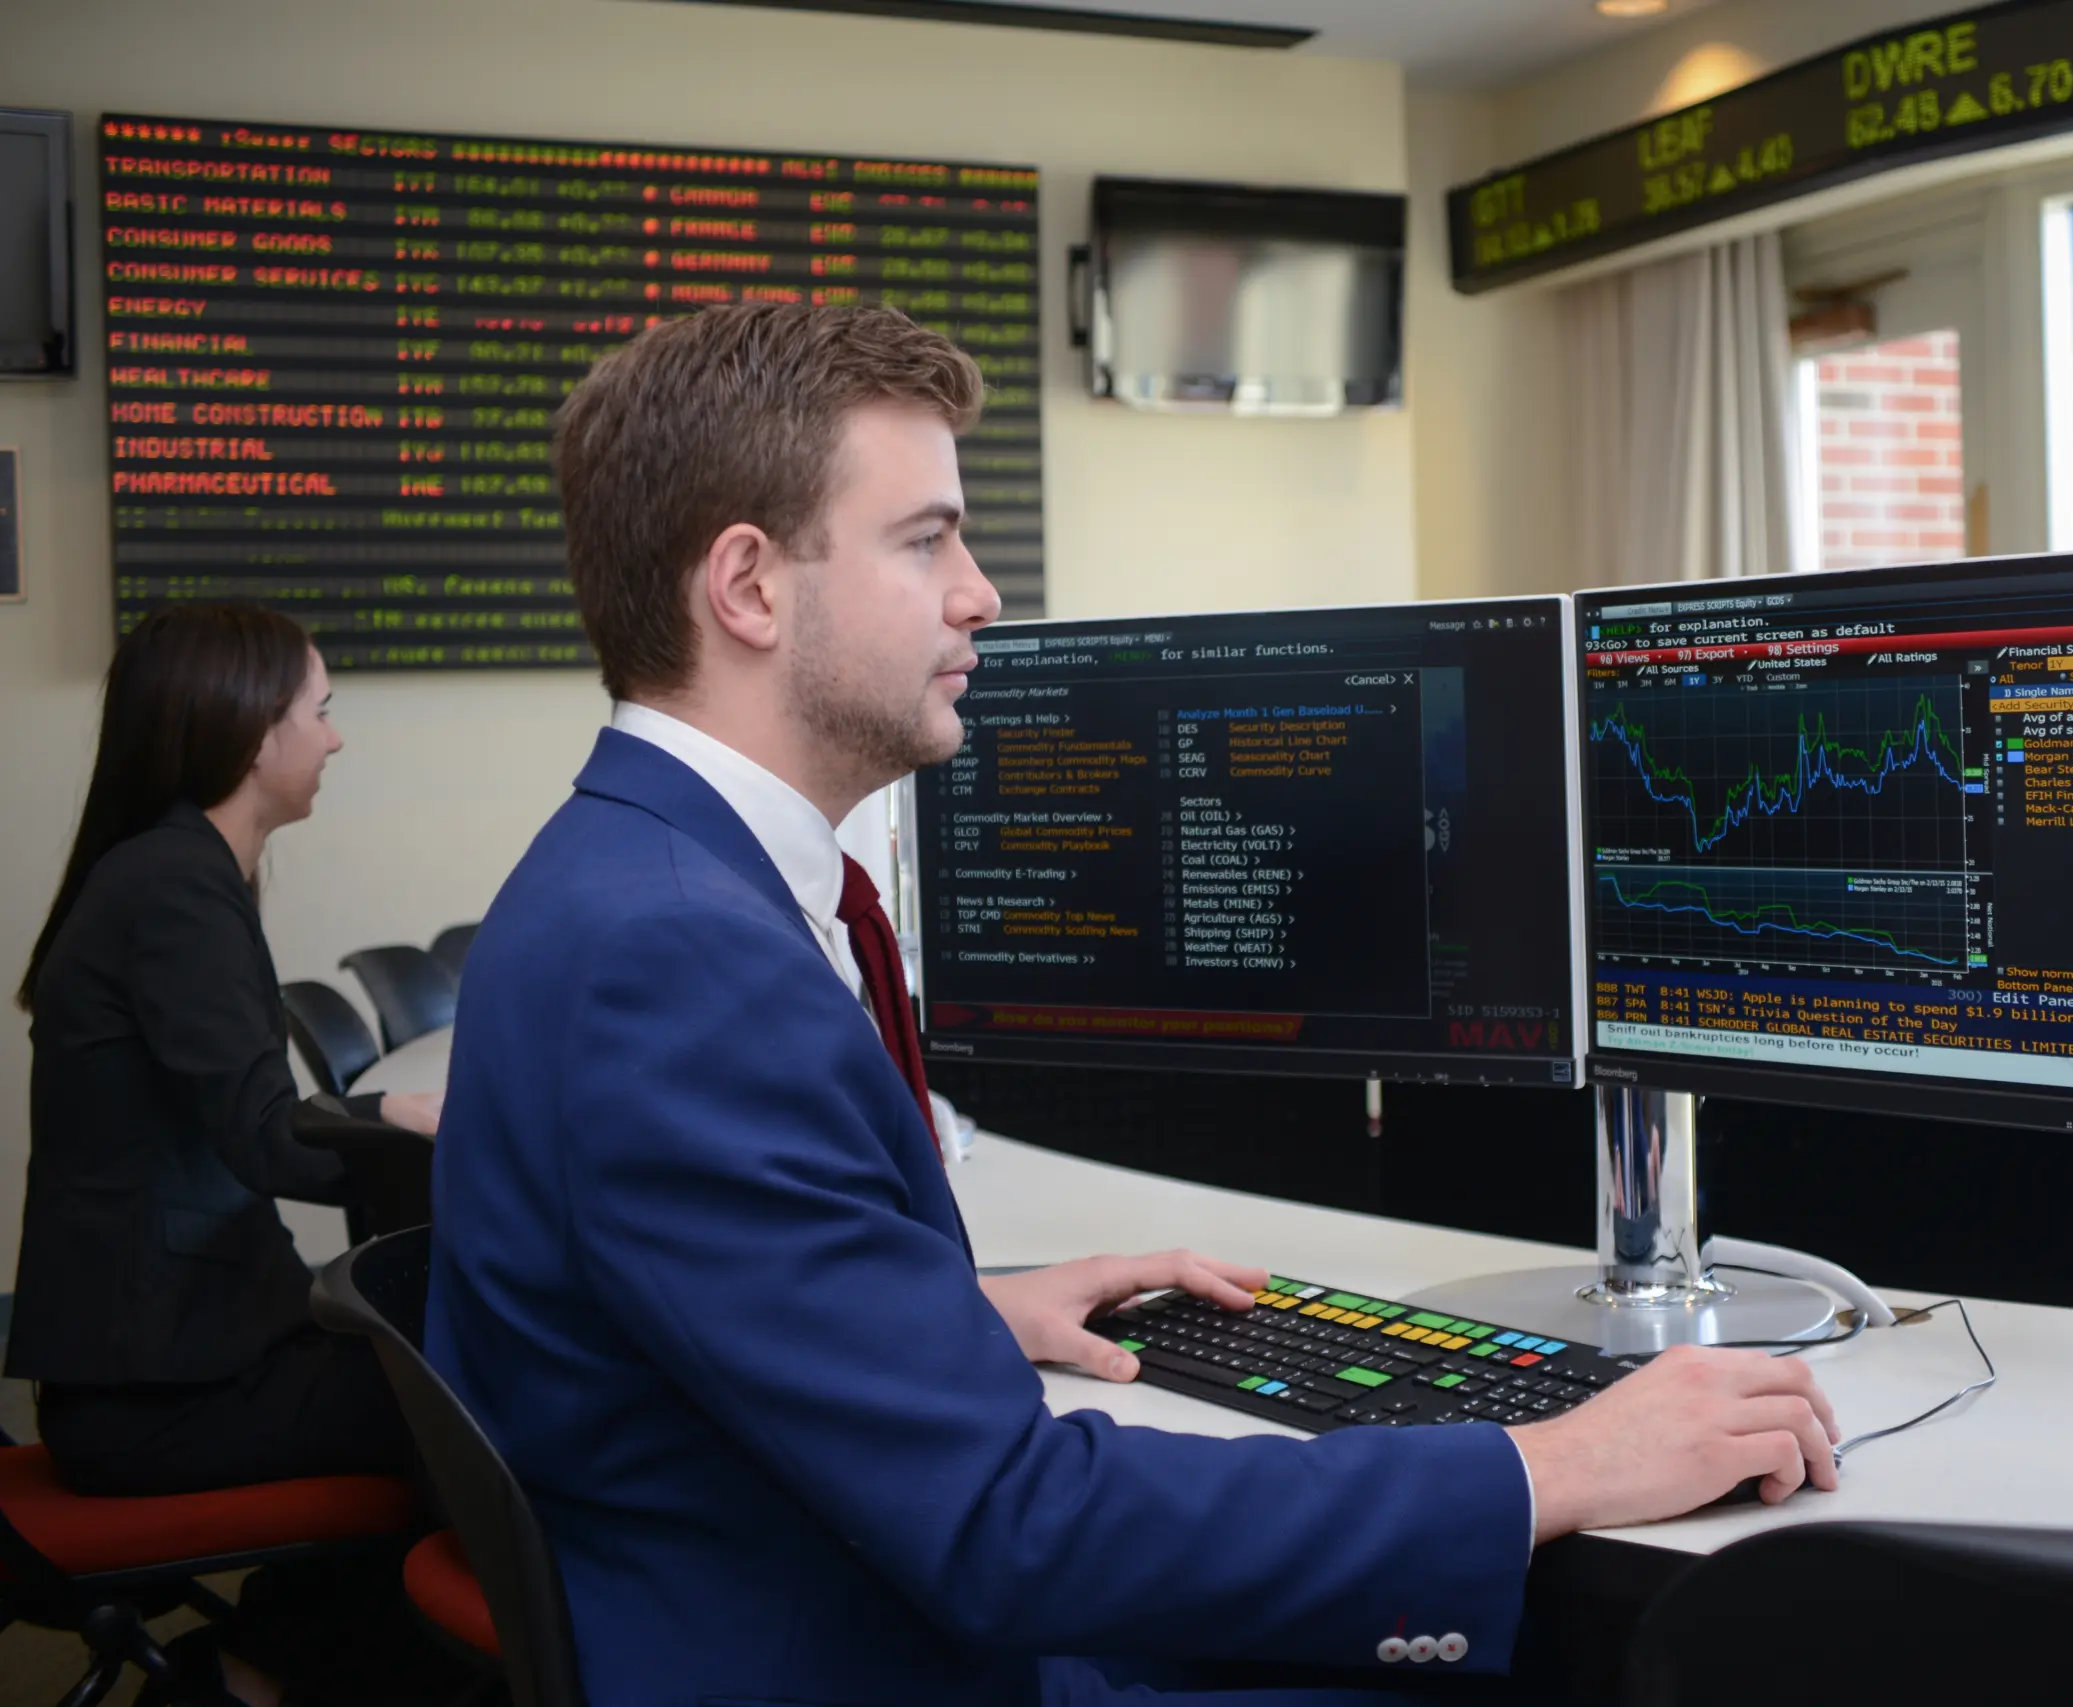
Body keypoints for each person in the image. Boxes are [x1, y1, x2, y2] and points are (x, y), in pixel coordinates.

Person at [428, 303, 1839, 1707]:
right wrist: (1556, 1460)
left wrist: (955, 1311)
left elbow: (700, 1322)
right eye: (926, 540)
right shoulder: (677, 958)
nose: (980, 591)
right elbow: (1011, 1524)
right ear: (747, 586)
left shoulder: (627, 874)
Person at [10, 606, 452, 1705]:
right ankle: (260, 1680)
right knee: (485, 1398)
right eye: (321, 710)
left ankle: (254, 1673)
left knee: (454, 1361)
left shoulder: (171, 872)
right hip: (158, 1401)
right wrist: (414, 1119)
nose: (335, 737)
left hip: (173, 1370)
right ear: (257, 730)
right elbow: (265, 1135)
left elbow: (249, 1125)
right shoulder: (172, 886)